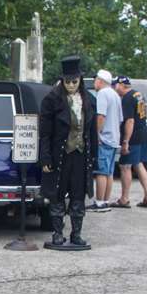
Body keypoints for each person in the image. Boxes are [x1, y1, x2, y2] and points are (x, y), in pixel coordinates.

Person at [39, 55, 97, 251]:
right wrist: (45, 157)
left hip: (81, 154)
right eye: (67, 81)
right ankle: (57, 234)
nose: (71, 85)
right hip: (59, 154)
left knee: (78, 195)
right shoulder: (51, 99)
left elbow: (92, 132)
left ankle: (77, 234)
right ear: (62, 80)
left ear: (80, 80)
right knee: (56, 194)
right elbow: (45, 132)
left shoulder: (89, 99)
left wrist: (94, 156)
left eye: (75, 81)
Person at [113, 76, 147, 207]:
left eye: (115, 85)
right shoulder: (138, 94)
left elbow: (130, 121)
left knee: (125, 166)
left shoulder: (127, 98)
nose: (114, 88)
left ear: (121, 85)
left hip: (134, 136)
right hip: (143, 132)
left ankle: (124, 199)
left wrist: (125, 141)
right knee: (138, 164)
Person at [92, 69, 121, 211]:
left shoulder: (102, 94)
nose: (94, 82)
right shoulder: (115, 95)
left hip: (104, 138)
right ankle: (106, 200)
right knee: (109, 172)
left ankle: (99, 202)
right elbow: (120, 119)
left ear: (101, 81)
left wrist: (97, 134)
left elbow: (101, 116)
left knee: (101, 172)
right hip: (115, 138)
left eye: (96, 79)